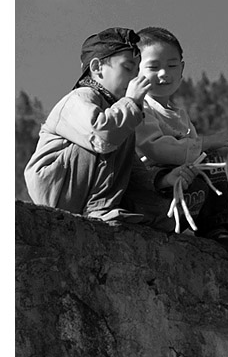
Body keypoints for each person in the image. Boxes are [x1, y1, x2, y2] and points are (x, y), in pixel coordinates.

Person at [24, 27, 196, 229]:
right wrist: (131, 101)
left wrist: (162, 180)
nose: (134, 78)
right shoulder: (78, 98)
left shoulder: (118, 110)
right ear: (97, 68)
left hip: (85, 189)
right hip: (59, 187)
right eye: (127, 68)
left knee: (120, 135)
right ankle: (99, 209)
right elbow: (101, 137)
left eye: (137, 71)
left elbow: (131, 167)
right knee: (108, 133)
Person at [134, 26, 228, 247]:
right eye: (153, 67)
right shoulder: (139, 106)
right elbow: (156, 148)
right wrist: (208, 142)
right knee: (207, 152)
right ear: (135, 70)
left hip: (185, 182)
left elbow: (194, 153)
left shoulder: (180, 116)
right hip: (153, 184)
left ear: (182, 68)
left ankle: (218, 227)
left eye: (172, 65)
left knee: (211, 160)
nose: (164, 73)